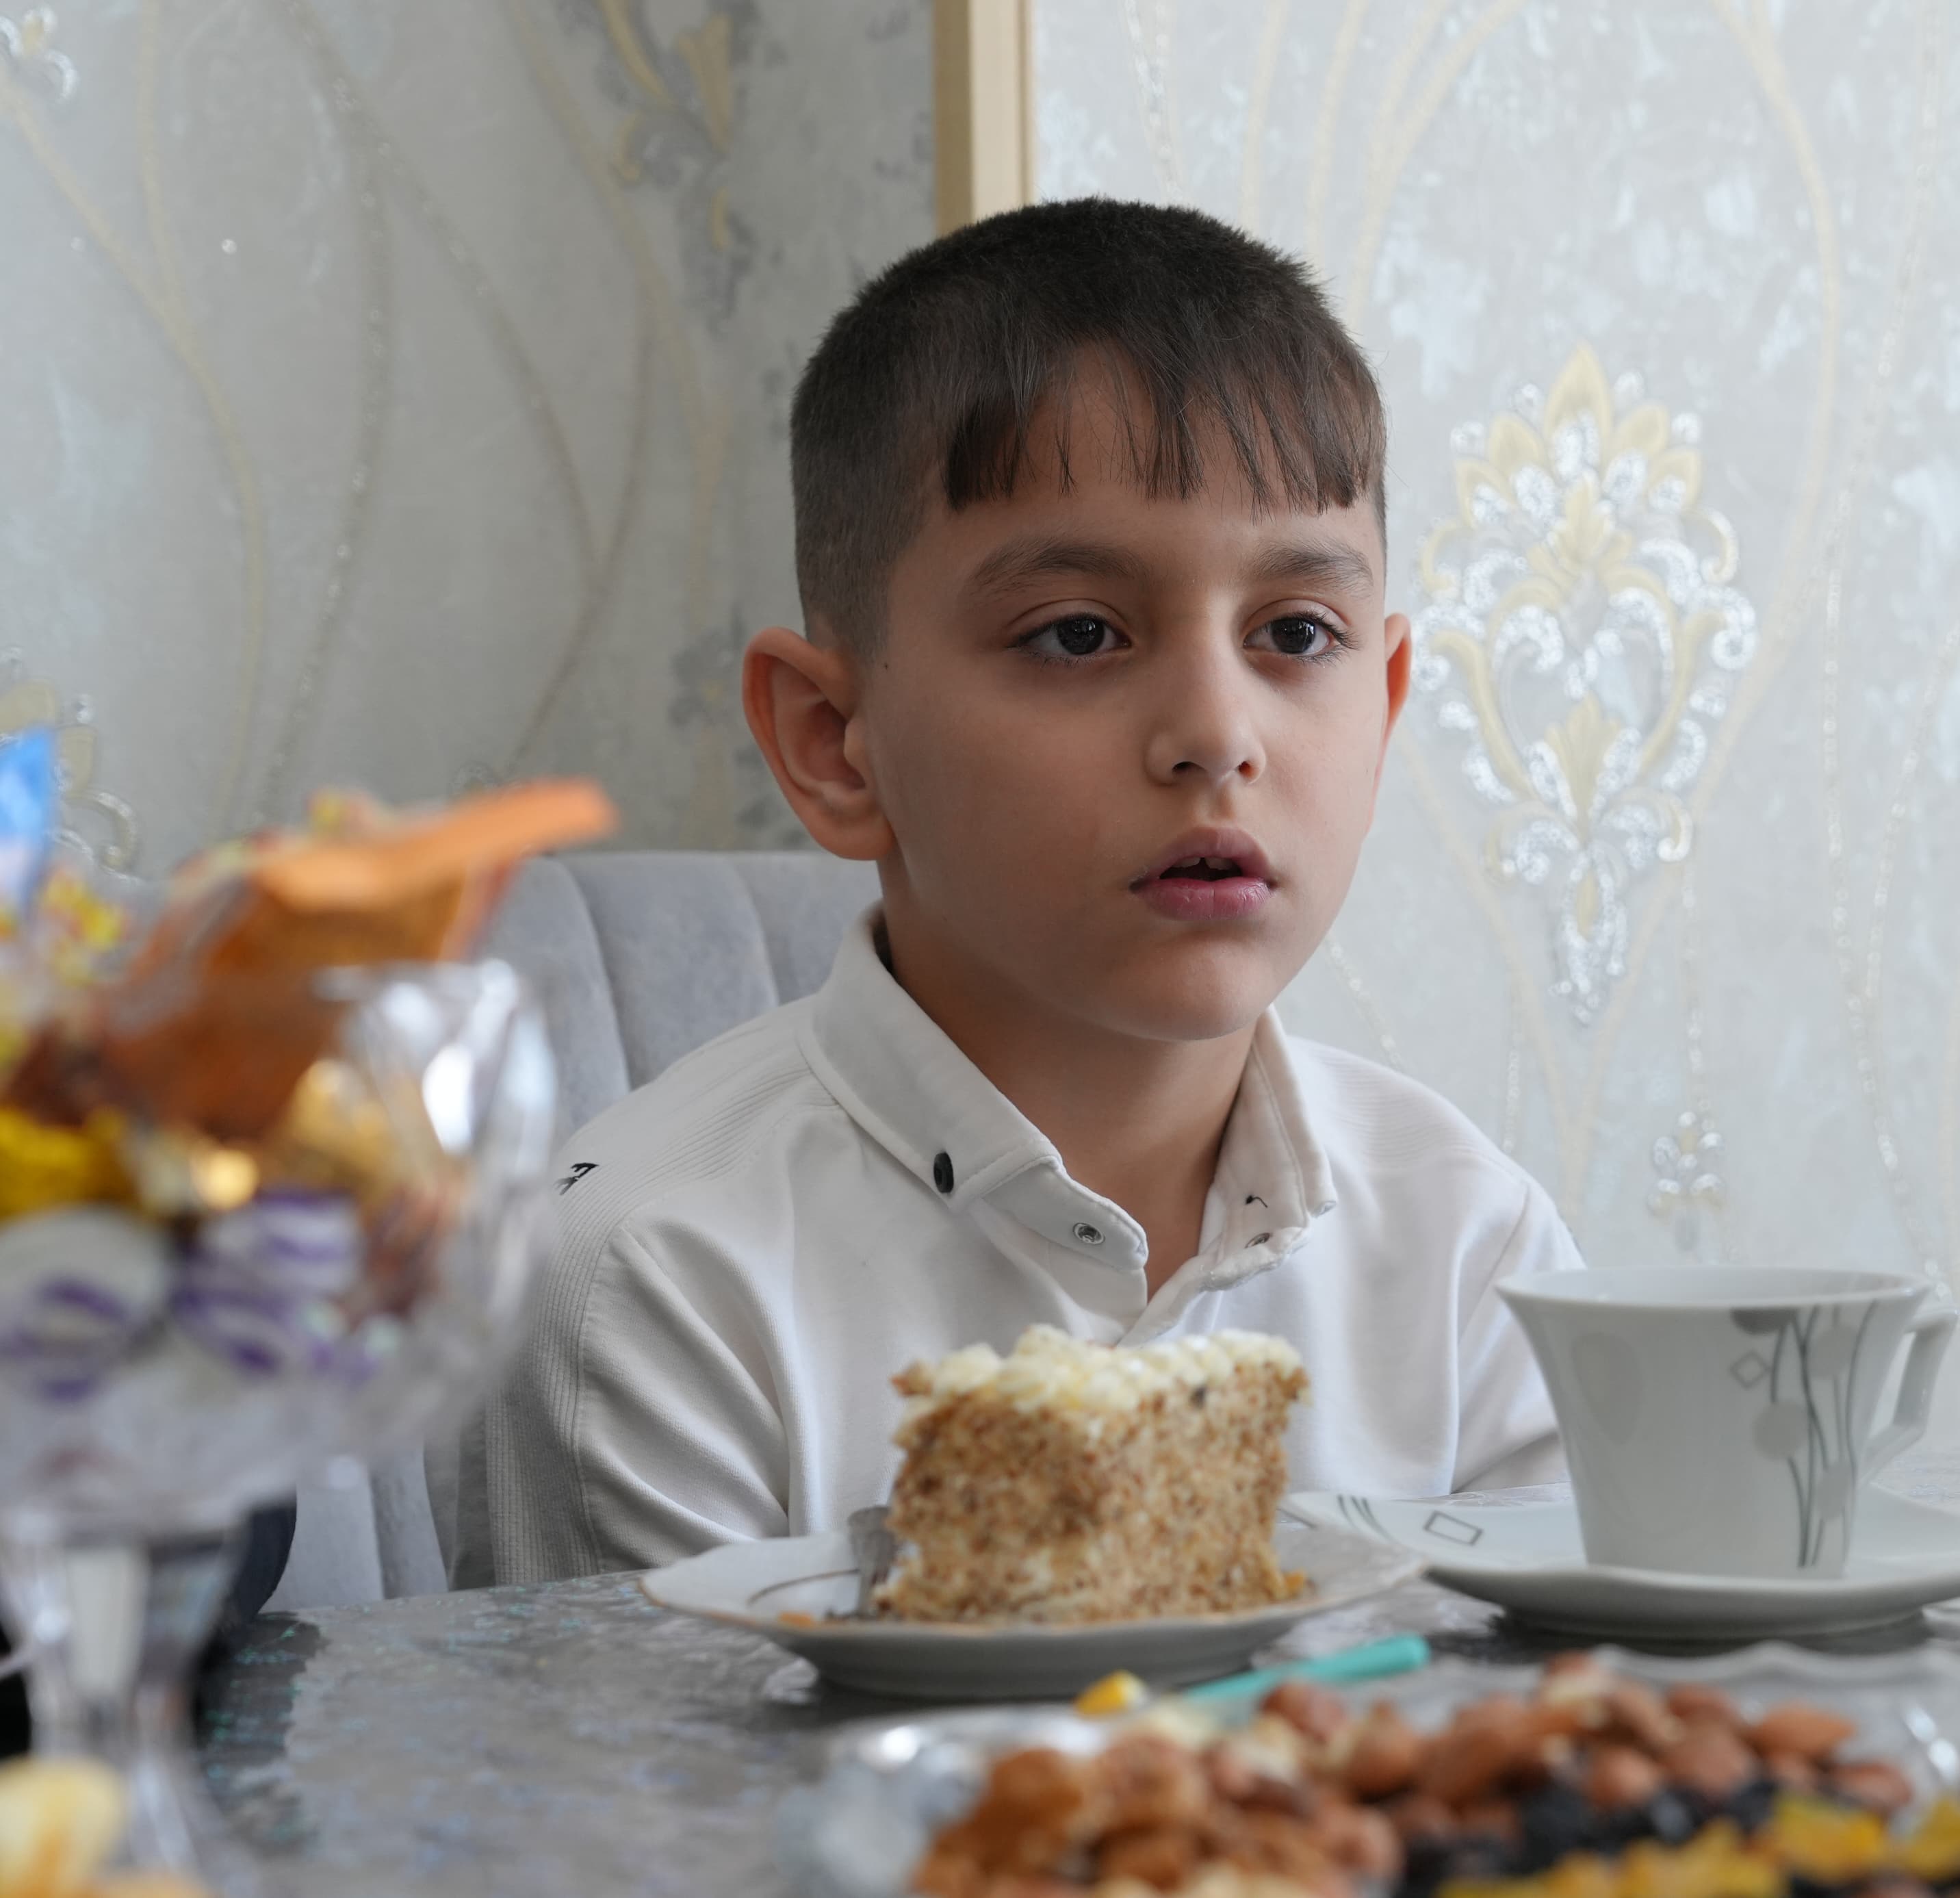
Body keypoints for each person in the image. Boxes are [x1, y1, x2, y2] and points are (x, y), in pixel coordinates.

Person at [480, 198, 1583, 1584]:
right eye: (1077, 634)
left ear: (1387, 704)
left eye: (1298, 633)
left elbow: (1569, 1713)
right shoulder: (653, 1282)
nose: (1216, 734)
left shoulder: (1472, 1247)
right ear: (834, 742)